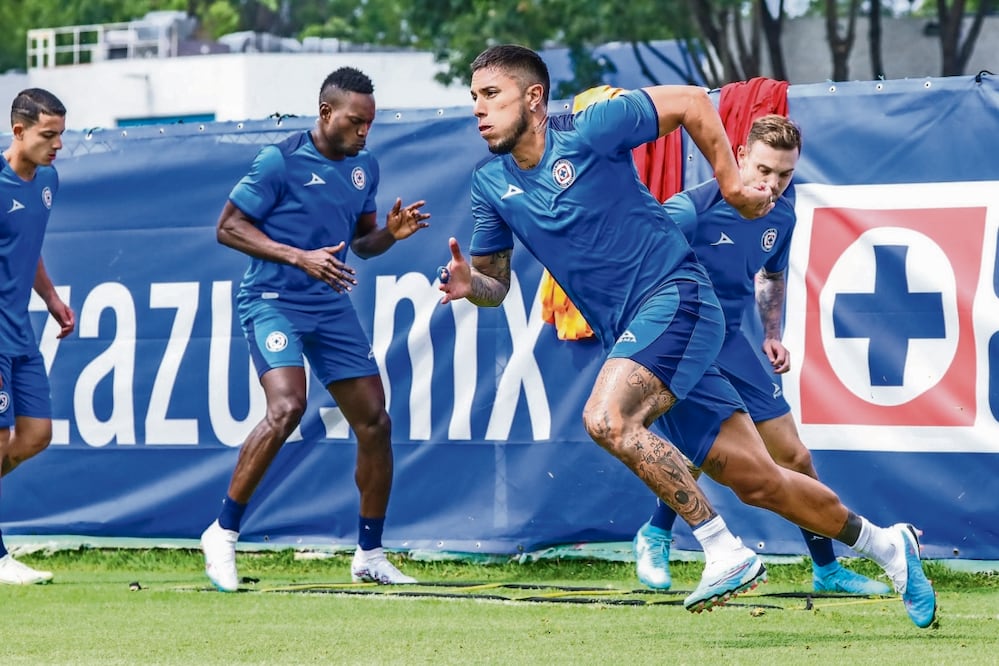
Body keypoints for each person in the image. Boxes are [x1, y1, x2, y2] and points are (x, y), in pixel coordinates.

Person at [438, 44, 936, 628]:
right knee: (763, 482)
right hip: (636, 331)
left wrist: (728, 184)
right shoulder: (489, 185)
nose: (479, 109)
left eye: (490, 95)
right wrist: (469, 283)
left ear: (534, 98)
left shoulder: (594, 126)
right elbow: (495, 287)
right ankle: (886, 546)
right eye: (474, 98)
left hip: (677, 298)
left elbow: (693, 103)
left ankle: (722, 550)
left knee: (606, 418)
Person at [633, 114, 890, 597]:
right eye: (764, 170)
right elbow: (635, 265)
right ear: (740, 155)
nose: (772, 184)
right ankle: (655, 535)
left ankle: (827, 569)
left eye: (785, 174)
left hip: (732, 340)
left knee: (794, 456)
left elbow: (770, 276)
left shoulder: (784, 213)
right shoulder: (693, 209)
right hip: (684, 340)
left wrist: (772, 333)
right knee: (708, 451)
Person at [200, 67, 428, 591]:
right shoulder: (279, 160)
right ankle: (223, 533)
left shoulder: (363, 167)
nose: (364, 133)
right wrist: (298, 257)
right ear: (326, 113)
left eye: (370, 123)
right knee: (287, 408)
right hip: (271, 300)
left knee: (375, 422)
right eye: (355, 122)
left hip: (329, 306)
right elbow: (228, 227)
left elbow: (363, 242)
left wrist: (390, 235)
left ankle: (369, 554)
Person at [0, 88, 75, 585]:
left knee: (35, 435)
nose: (58, 146)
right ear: (19, 131)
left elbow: (28, 247)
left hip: (20, 328)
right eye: (49, 136)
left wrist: (50, 297)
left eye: (62, 136)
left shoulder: (47, 180)